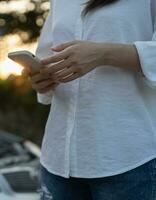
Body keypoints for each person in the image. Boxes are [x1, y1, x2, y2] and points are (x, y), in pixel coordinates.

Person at [22, 0, 156, 199]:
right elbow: (47, 54)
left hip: (128, 162)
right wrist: (41, 79)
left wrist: (102, 54)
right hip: (57, 161)